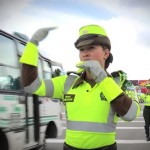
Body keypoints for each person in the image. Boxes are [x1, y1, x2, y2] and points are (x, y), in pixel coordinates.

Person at [20, 25, 140, 150]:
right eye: (81, 49)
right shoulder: (67, 82)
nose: (85, 53)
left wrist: (103, 79)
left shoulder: (121, 82)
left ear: (106, 53)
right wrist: (32, 45)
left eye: (91, 48)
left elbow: (130, 115)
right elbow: (31, 86)